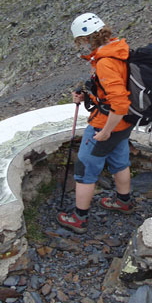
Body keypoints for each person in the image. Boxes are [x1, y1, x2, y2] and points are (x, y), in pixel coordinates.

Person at [56, 13, 135, 234]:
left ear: (87, 37)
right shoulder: (118, 48)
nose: (80, 45)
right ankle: (124, 201)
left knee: (84, 169)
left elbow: (119, 102)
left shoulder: (106, 61)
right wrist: (88, 98)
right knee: (120, 161)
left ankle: (79, 218)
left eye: (80, 40)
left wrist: (105, 132)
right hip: (125, 122)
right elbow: (115, 93)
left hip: (106, 124)